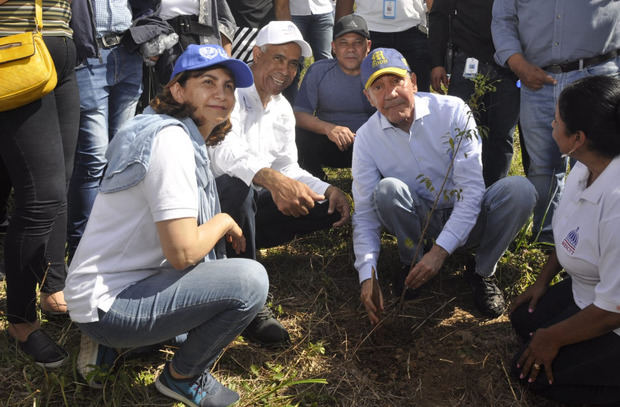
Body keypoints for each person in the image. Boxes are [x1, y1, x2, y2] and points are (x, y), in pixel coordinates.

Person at [64, 44, 268, 407]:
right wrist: (222, 221)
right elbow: (183, 252)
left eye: (227, 86)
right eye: (208, 82)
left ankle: (112, 345)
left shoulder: (167, 132)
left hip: (113, 285)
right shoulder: (171, 141)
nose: (221, 94)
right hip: (111, 302)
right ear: (177, 90)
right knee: (250, 281)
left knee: (211, 289)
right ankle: (182, 378)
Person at [352, 48, 536, 324]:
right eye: (378, 87)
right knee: (387, 191)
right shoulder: (366, 137)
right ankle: (412, 261)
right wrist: (368, 275)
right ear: (368, 97)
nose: (389, 94)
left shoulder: (452, 111)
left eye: (396, 82)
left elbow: (472, 191)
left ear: (413, 81)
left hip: (468, 214)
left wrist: (439, 253)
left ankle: (482, 270)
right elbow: (365, 213)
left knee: (520, 191)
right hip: (420, 216)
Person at [209, 20, 351, 346]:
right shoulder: (228, 92)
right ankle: (249, 299)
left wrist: (328, 189)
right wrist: (270, 179)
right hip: (211, 204)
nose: (285, 70)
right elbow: (221, 153)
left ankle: (236, 252)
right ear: (256, 54)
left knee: (323, 207)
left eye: (293, 64)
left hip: (249, 205)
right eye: (278, 58)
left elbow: (288, 165)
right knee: (238, 184)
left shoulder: (283, 107)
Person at [509, 75, 620, 405]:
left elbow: (615, 310)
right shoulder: (586, 168)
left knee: (528, 372)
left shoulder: (616, 207)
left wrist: (554, 336)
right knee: (524, 320)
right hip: (587, 292)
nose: (551, 124)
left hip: (611, 316)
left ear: (578, 138)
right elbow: (572, 232)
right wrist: (543, 281)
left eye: (557, 121)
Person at [491, 0, 620, 244]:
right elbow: (503, 19)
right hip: (536, 80)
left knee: (600, 162)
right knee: (542, 167)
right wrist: (518, 64)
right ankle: (546, 238)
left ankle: (597, 237)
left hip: (597, 75)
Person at [0, 0, 80, 366]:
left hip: (59, 48)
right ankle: (20, 319)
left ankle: (52, 288)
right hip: (12, 47)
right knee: (41, 196)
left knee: (59, 186)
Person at [66, 0, 148, 259]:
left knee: (123, 155)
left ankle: (117, 239)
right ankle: (82, 248)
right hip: (89, 56)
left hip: (129, 52)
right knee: (94, 158)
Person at [429, 0, 519, 187]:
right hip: (467, 62)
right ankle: (460, 195)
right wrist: (437, 62)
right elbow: (439, 15)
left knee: (501, 137)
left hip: (509, 65)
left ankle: (493, 196)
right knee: (461, 134)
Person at [294, 14, 374, 180]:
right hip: (331, 145)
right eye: (343, 43)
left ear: (368, 46)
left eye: (357, 43)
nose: (350, 49)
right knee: (298, 134)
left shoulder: (378, 73)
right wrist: (329, 128)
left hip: (371, 146)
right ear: (333, 47)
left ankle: (380, 182)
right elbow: (299, 115)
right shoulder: (318, 71)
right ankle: (316, 183)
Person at [335, 0, 432, 92]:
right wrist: (340, 35)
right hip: (369, 29)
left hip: (412, 29)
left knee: (418, 94)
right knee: (368, 93)